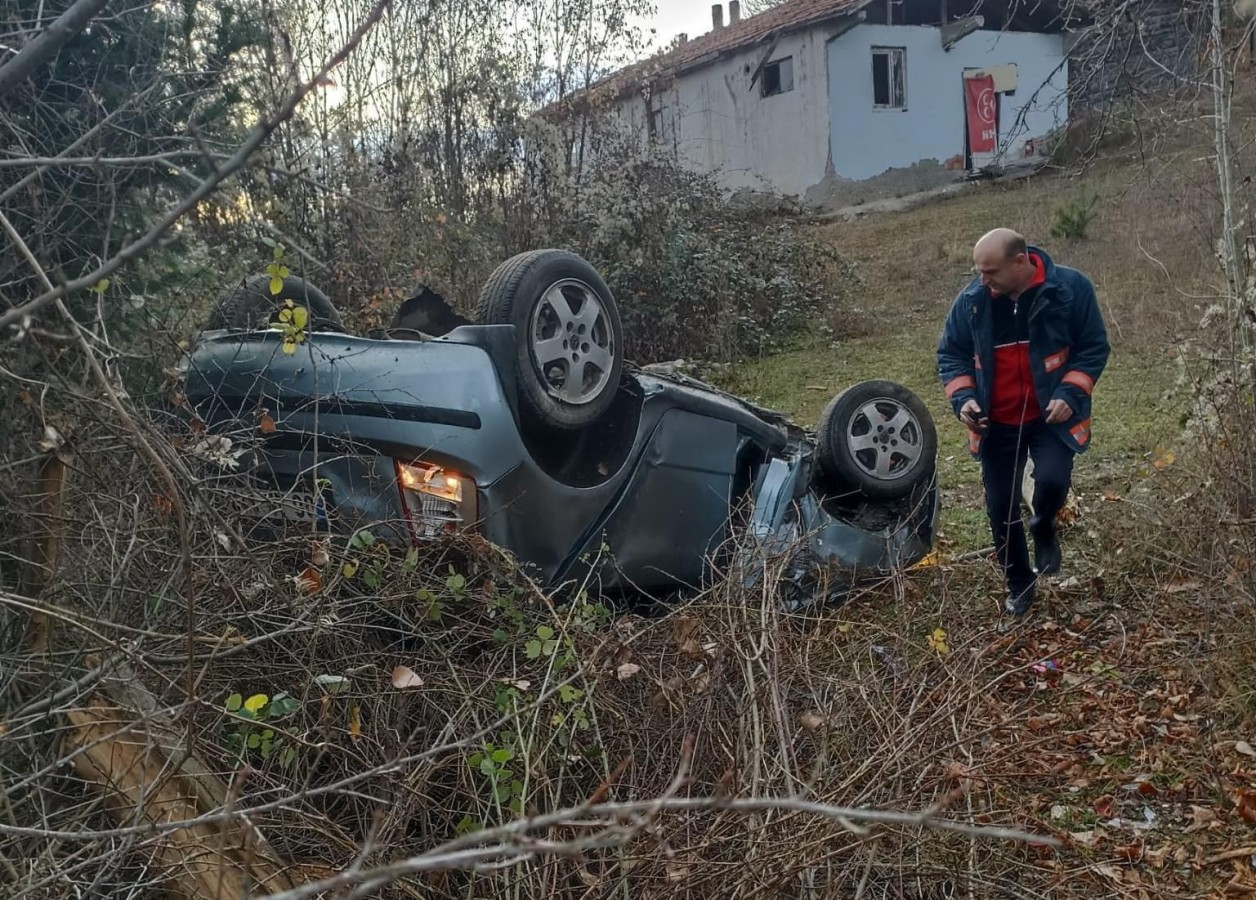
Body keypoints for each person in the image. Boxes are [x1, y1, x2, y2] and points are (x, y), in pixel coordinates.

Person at [936, 229, 1110, 618]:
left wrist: (1070, 393)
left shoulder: (1070, 289)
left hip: (1051, 418)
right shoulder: (972, 303)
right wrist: (964, 401)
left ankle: (1044, 525)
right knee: (1000, 509)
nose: (983, 280)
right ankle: (1019, 584)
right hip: (995, 425)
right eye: (979, 271)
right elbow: (951, 355)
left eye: (991, 271)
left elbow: (1094, 346)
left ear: (1021, 261)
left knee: (1051, 482)